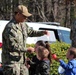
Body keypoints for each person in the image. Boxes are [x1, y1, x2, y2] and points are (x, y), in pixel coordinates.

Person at [2, 5, 48, 75]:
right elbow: (12, 46)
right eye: (24, 16)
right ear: (18, 14)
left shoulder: (23, 24)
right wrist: (26, 49)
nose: (26, 18)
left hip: (21, 61)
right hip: (12, 63)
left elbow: (31, 32)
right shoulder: (10, 28)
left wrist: (42, 32)